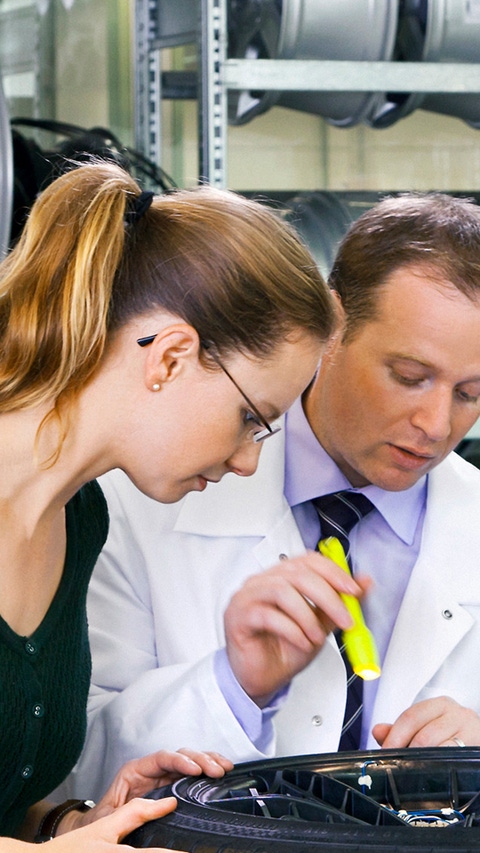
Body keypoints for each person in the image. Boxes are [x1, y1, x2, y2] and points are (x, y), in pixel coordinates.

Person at [64, 190, 480, 804]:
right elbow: (68, 773)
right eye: (409, 377)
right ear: (332, 326)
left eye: (471, 393)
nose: (437, 423)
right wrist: (234, 686)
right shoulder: (136, 498)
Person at [0, 158, 336, 849]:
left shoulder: (79, 518)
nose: (249, 460)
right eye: (252, 418)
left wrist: (73, 823)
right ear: (171, 357)